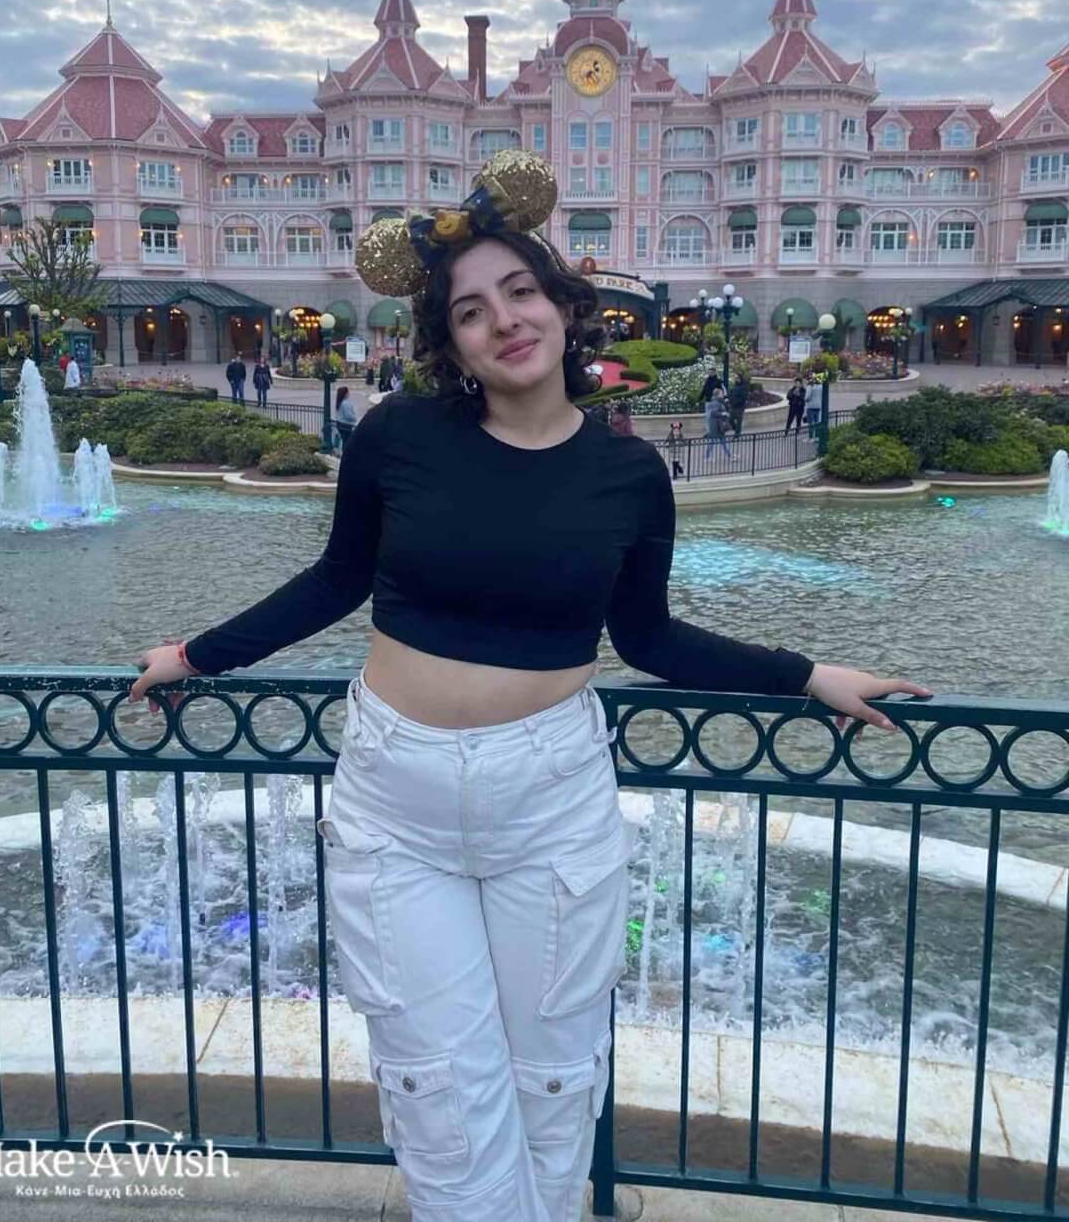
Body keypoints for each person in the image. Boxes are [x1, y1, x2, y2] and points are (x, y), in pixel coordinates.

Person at [129, 155, 930, 1222]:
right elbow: (335, 580)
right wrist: (197, 656)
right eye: (470, 310)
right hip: (395, 802)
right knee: (436, 1091)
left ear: (562, 304)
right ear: (451, 342)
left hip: (550, 799)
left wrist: (808, 675)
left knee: (553, 1083)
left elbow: (646, 636)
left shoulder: (629, 473)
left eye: (519, 292)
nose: (502, 320)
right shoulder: (398, 435)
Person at [703, 383, 732, 460]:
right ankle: (707, 457)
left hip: (718, 425)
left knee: (722, 442)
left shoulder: (718, 402)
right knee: (714, 442)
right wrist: (723, 413)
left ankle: (729, 455)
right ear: (718, 394)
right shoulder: (716, 403)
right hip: (716, 426)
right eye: (721, 393)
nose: (723, 394)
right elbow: (713, 413)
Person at [335, 385, 358, 453]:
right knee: (348, 442)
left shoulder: (339, 402)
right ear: (345, 394)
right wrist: (355, 418)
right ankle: (346, 454)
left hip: (339, 424)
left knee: (345, 441)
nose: (349, 393)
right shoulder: (346, 403)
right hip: (346, 425)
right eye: (348, 392)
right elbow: (348, 415)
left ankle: (344, 453)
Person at [727, 374, 749, 439]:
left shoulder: (744, 387)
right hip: (733, 406)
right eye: (736, 378)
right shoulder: (735, 386)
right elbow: (731, 394)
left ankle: (737, 435)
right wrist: (729, 400)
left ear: (740, 379)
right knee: (730, 420)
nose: (736, 379)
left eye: (738, 378)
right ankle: (736, 430)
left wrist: (738, 402)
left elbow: (744, 397)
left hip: (739, 407)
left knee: (739, 421)